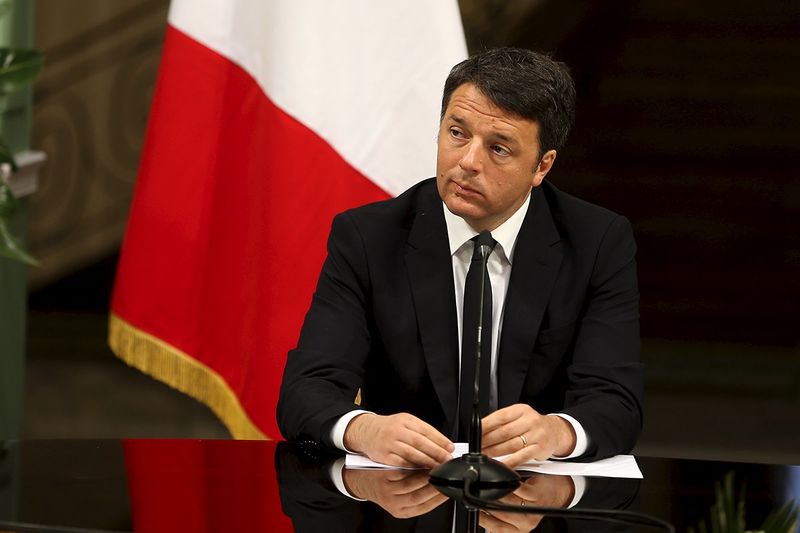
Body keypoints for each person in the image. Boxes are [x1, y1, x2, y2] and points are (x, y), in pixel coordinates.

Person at [277, 47, 643, 469]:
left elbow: (617, 401)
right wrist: (364, 429)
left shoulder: (597, 242)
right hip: (403, 503)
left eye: (499, 148)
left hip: (531, 502)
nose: (468, 162)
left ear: (542, 166)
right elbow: (305, 390)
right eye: (457, 132)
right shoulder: (369, 238)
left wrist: (558, 431)